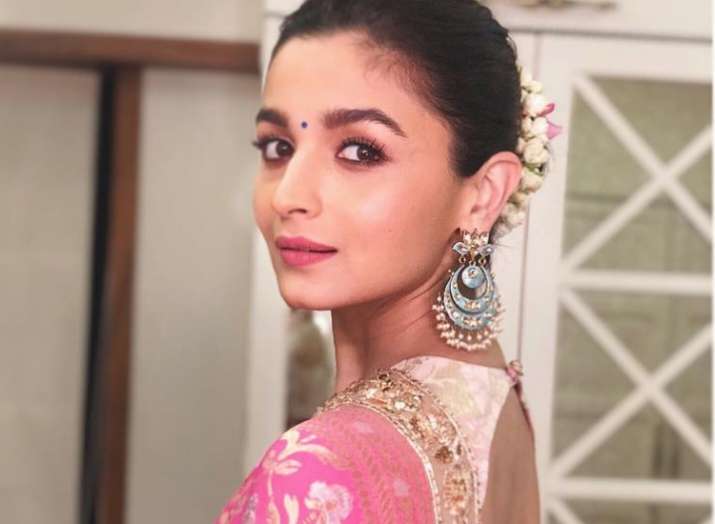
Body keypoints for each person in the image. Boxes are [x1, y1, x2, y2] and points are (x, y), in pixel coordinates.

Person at [216, 0, 563, 522]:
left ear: (484, 194)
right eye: (278, 147)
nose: (288, 196)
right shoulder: (492, 397)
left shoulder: (316, 473)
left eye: (360, 151)